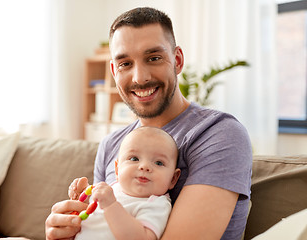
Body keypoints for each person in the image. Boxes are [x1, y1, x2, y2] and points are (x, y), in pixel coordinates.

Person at [45, 7, 252, 240]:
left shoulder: (218, 134)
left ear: (177, 60)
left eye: (153, 58)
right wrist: (67, 231)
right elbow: (98, 225)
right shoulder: (111, 145)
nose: (139, 77)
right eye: (125, 64)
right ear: (114, 71)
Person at [69, 126, 180, 240]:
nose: (144, 166)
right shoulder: (112, 188)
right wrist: (83, 197)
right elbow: (92, 213)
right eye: (134, 159)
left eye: (159, 163)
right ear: (117, 170)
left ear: (173, 179)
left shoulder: (156, 204)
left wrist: (111, 205)